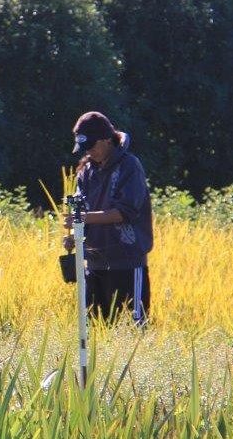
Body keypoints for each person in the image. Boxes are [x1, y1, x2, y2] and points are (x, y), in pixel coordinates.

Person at [63, 111, 153, 324]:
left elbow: (125, 212)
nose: (89, 153)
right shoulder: (86, 171)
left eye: (92, 146)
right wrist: (74, 237)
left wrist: (84, 218)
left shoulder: (129, 166)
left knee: (133, 332)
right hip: (94, 266)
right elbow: (80, 211)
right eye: (85, 149)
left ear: (106, 140)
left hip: (127, 264)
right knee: (96, 336)